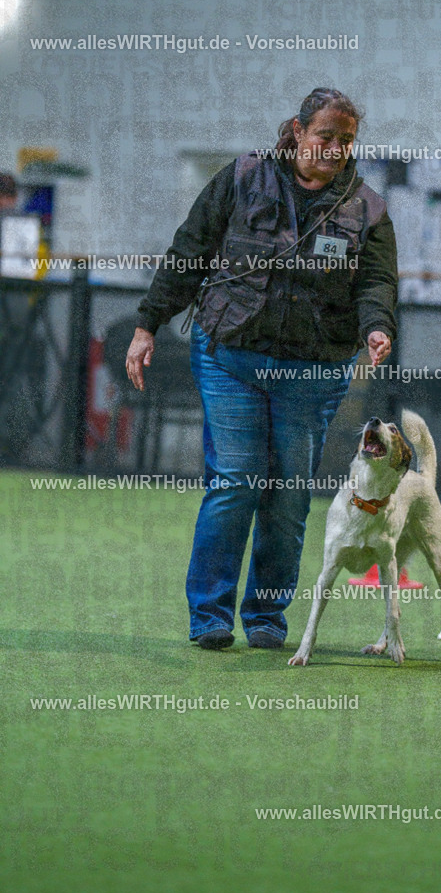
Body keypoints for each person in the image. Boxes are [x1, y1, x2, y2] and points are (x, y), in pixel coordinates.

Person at [126, 87, 398, 650]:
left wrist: (378, 326)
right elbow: (189, 251)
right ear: (298, 132)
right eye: (325, 137)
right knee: (238, 480)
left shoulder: (367, 207)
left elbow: (376, 281)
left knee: (288, 493)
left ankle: (268, 617)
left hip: (312, 369)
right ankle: (210, 616)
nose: (334, 150)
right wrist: (148, 323)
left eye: (346, 141)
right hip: (233, 356)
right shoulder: (243, 177)